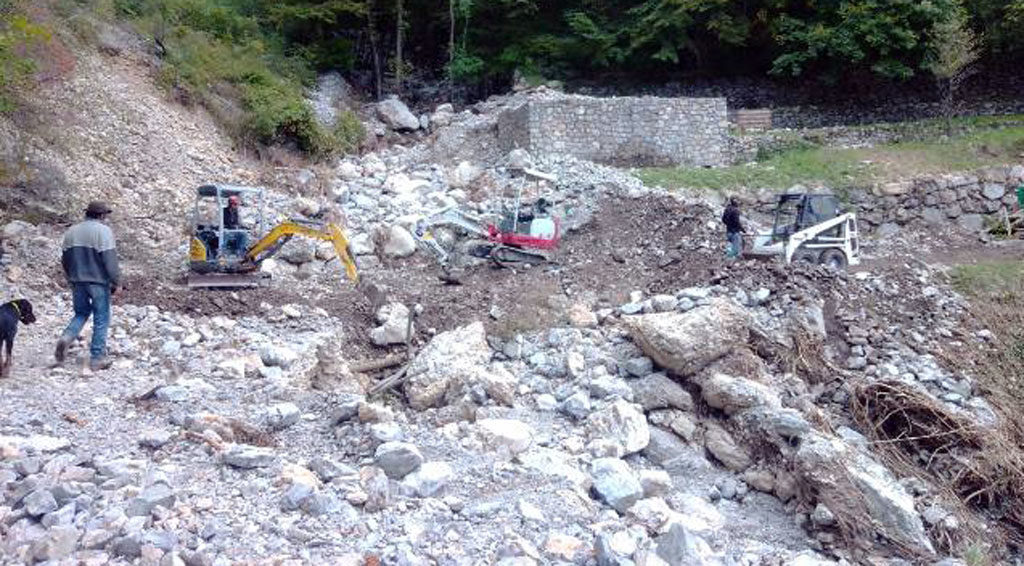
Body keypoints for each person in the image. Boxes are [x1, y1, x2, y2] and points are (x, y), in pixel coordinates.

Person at [55, 201, 120, 371]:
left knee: (81, 313)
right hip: (98, 281)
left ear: (87, 213)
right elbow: (109, 260)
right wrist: (117, 281)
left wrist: (71, 277)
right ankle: (97, 357)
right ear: (101, 215)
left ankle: (66, 337)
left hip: (77, 280)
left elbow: (65, 260)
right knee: (101, 317)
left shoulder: (71, 231)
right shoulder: (104, 231)